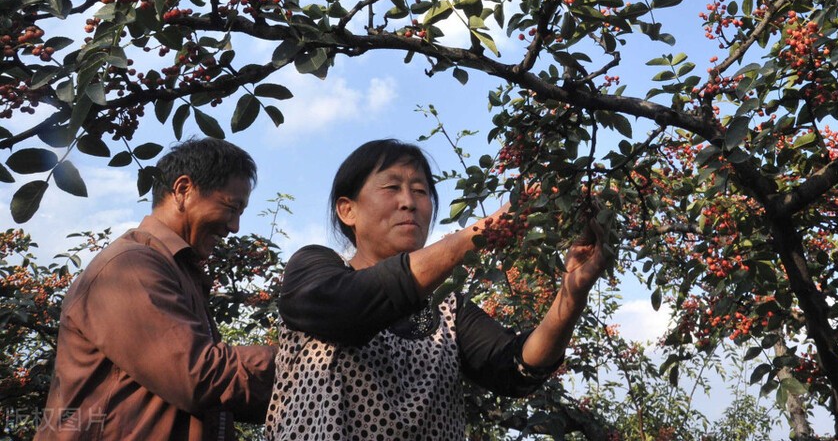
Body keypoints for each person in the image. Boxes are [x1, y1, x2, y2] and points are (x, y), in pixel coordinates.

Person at [265, 139, 609, 441]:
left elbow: (516, 369)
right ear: (347, 209)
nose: (409, 202)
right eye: (392, 188)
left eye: (420, 190)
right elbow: (349, 308)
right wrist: (484, 231)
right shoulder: (314, 270)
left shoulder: (448, 309)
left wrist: (573, 291)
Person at [36, 137, 276, 440]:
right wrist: (304, 359)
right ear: (183, 190)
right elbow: (198, 378)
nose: (235, 226)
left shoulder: (178, 272)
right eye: (232, 207)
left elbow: (221, 397)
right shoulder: (130, 265)